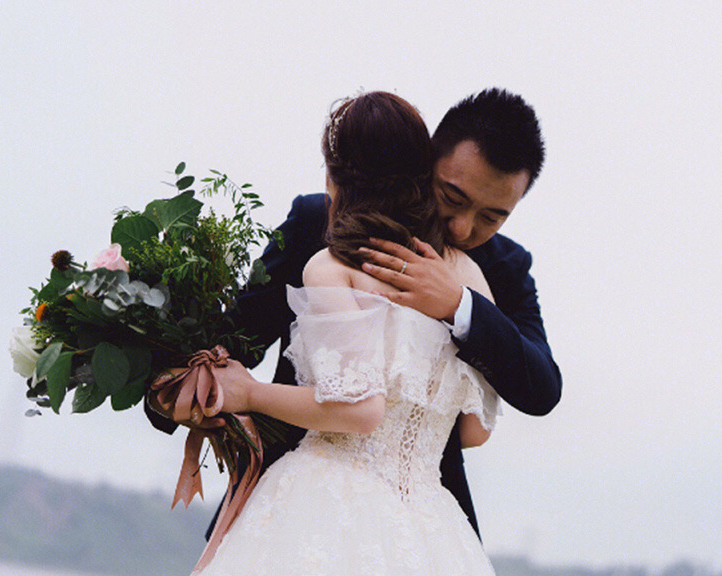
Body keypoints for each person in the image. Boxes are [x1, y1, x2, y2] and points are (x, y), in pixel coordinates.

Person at [184, 92, 500, 574]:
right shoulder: (470, 283)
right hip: (431, 526)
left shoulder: (333, 267)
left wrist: (248, 393)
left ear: (335, 175)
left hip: (324, 503)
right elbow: (474, 431)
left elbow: (359, 409)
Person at [225, 87, 560, 535]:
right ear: (428, 161)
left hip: (423, 523)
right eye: (454, 198)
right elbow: (237, 337)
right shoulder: (319, 220)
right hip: (292, 508)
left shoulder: (503, 267)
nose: (463, 227)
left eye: (492, 217)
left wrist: (459, 306)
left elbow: (542, 388)